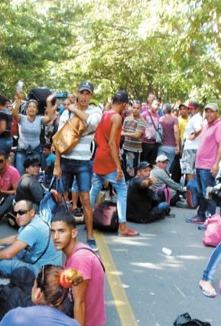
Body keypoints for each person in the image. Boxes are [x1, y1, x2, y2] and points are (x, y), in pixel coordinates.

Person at [53, 81, 102, 251]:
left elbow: (92, 122)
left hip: (84, 162)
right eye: (82, 92)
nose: (84, 96)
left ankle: (90, 236)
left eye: (87, 93)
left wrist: (74, 110)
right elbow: (59, 139)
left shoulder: (95, 111)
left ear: (91, 96)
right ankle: (59, 234)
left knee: (86, 200)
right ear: (78, 93)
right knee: (60, 198)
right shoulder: (67, 112)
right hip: (66, 160)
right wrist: (57, 164)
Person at [50, 212, 105, 326]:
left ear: (74, 232)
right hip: (80, 306)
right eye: (53, 231)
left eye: (61, 231)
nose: (55, 237)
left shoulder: (79, 259)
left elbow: (79, 302)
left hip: (82, 316)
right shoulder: (77, 249)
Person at [89, 90, 138, 237]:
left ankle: (88, 218)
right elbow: (111, 143)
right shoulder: (116, 117)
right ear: (123, 104)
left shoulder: (105, 114)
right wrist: (118, 166)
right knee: (122, 190)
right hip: (109, 158)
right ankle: (122, 226)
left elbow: (97, 137)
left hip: (99, 155)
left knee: (96, 187)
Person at [0, 200, 62, 284]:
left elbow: (8, 254)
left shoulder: (32, 228)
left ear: (32, 212)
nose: (17, 216)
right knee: (10, 249)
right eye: (15, 213)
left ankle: (8, 275)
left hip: (45, 272)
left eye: (21, 212)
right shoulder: (36, 219)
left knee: (2, 265)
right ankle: (9, 273)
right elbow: (16, 238)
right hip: (44, 263)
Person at [186, 103, 221, 224]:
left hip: (208, 166)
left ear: (217, 113)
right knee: (200, 192)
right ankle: (201, 215)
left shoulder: (219, 126)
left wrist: (216, 164)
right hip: (199, 164)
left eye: (211, 112)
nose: (209, 114)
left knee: (208, 193)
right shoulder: (206, 125)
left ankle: (211, 219)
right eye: (207, 111)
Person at [11, 93, 54, 175]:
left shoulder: (39, 119)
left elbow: (49, 118)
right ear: (26, 109)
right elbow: (14, 114)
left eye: (34, 107)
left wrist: (48, 102)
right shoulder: (21, 118)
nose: (32, 109)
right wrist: (18, 100)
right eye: (30, 107)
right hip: (22, 151)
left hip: (35, 151)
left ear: (37, 110)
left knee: (34, 176)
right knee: (20, 174)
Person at [120, 100, 146, 178]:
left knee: (132, 172)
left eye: (137, 108)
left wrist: (124, 134)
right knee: (125, 170)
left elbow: (137, 135)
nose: (135, 109)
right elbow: (122, 129)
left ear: (140, 109)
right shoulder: (127, 119)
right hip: (125, 148)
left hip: (134, 150)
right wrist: (123, 132)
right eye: (134, 107)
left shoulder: (141, 121)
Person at [180, 101, 204, 185]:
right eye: (188, 108)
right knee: (192, 171)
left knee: (189, 171)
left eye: (192, 109)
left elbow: (200, 128)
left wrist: (192, 136)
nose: (189, 110)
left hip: (191, 148)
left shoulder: (196, 118)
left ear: (197, 109)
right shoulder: (195, 118)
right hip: (193, 148)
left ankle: (191, 193)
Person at [158, 103, 180, 171]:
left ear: (163, 111)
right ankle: (166, 179)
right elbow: (176, 131)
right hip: (171, 147)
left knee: (160, 165)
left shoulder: (160, 119)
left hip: (161, 146)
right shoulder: (174, 119)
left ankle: (160, 180)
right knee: (168, 166)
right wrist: (178, 145)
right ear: (171, 110)